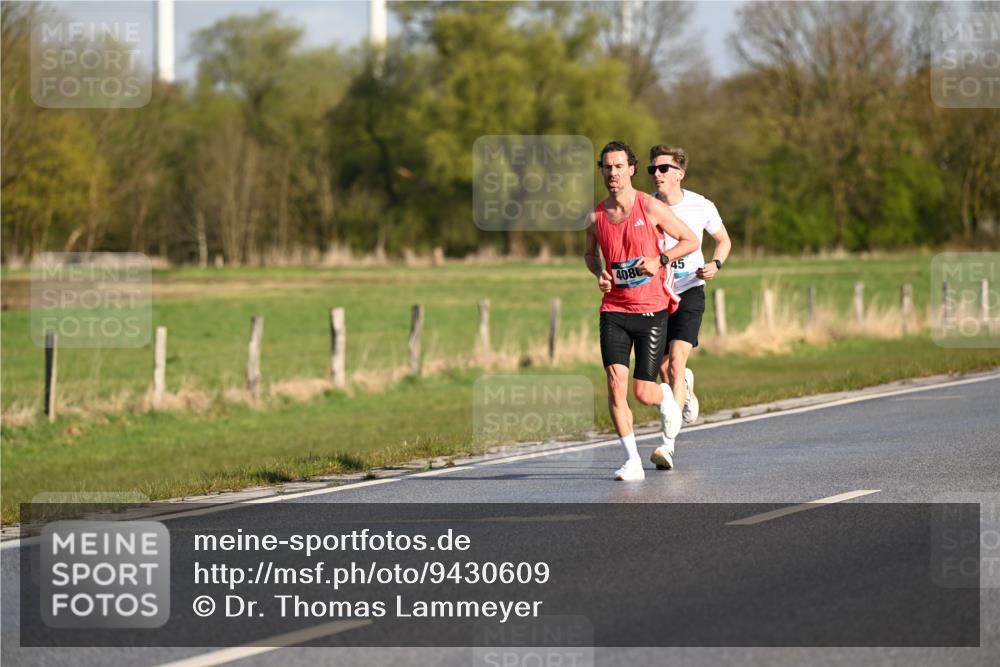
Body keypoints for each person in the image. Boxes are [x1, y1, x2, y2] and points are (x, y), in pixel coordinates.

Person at [584, 140, 699, 481]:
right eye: (607, 167)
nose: (613, 173)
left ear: (632, 169)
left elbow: (690, 240)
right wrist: (599, 273)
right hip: (614, 309)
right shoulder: (596, 216)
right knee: (615, 382)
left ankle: (668, 395)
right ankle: (632, 460)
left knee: (641, 391)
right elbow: (590, 255)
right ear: (602, 171)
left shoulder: (649, 208)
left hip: (651, 309)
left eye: (619, 166)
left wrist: (660, 260)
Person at [647, 144, 732, 469]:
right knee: (663, 370)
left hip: (690, 290)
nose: (657, 174)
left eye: (663, 169)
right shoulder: (646, 206)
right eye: (653, 169)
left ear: (679, 173)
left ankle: (667, 446)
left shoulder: (701, 205)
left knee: (677, 362)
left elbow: (723, 240)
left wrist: (716, 264)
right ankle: (685, 388)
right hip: (656, 294)